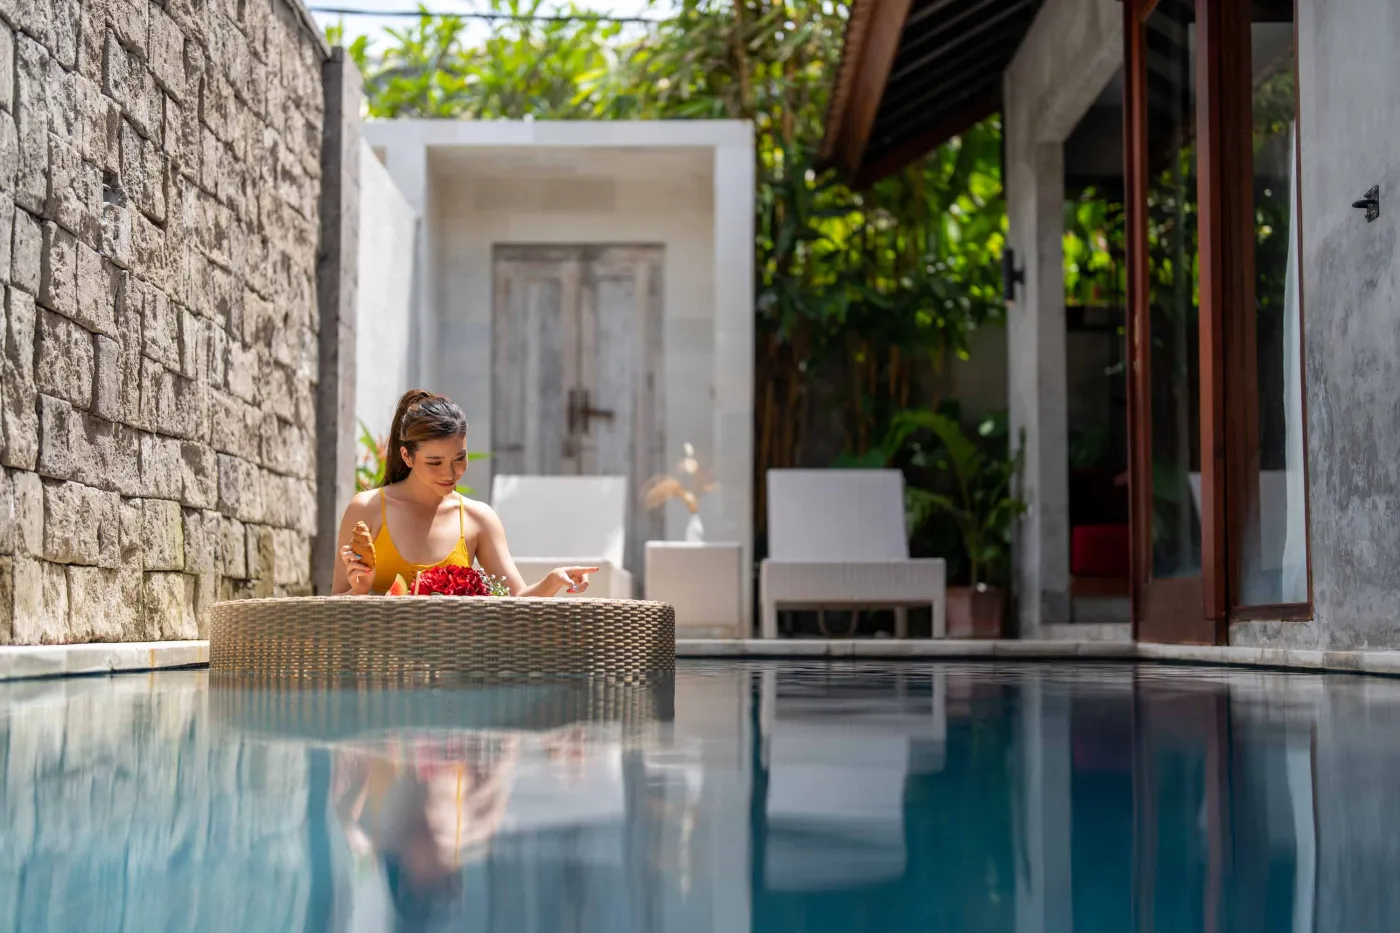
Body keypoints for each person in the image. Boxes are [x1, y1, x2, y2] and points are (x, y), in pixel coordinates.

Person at [334, 389, 597, 596]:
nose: (450, 473)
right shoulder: (366, 509)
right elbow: (332, 603)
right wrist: (358, 591)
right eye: (434, 463)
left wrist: (553, 580)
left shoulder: (478, 519)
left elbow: (517, 601)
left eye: (459, 458)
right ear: (407, 456)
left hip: (453, 662)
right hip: (380, 662)